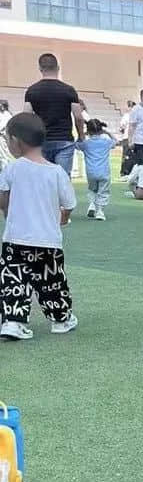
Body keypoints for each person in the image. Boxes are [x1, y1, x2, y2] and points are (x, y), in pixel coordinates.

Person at [0, 113, 78, 340]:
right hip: (47, 241)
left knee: (13, 280)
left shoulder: (13, 169)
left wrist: (7, 209)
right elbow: (69, 204)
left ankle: (13, 321)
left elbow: (3, 197)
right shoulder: (56, 172)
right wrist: (63, 218)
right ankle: (61, 319)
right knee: (52, 281)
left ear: (16, 141)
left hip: (15, 239)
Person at [23, 53, 85, 176]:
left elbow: (27, 117)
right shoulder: (69, 90)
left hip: (42, 140)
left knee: (44, 178)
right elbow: (78, 117)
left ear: (40, 69)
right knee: (62, 179)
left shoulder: (32, 91)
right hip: (64, 140)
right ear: (57, 68)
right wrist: (81, 135)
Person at [75, 119, 117, 221]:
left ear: (88, 131)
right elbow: (116, 142)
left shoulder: (86, 143)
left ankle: (92, 205)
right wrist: (108, 133)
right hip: (104, 171)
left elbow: (76, 144)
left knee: (92, 189)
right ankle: (100, 211)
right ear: (101, 130)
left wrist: (82, 134)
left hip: (90, 172)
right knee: (103, 191)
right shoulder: (106, 142)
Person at [0, 101, 15, 172]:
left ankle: (5, 171)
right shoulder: (8, 114)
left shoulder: (6, 114)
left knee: (4, 156)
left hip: (4, 137)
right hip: (7, 137)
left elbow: (3, 127)